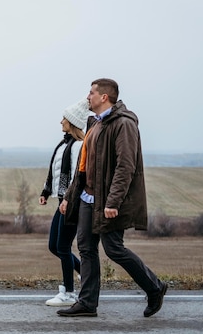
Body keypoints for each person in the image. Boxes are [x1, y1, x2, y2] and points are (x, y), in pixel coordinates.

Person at [57, 78, 167, 318]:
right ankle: (87, 303)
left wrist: (113, 202)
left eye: (91, 93)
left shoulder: (123, 124)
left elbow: (125, 167)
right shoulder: (94, 124)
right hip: (87, 198)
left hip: (108, 202)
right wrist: (69, 197)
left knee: (114, 249)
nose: (87, 97)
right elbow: (83, 167)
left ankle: (155, 287)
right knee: (86, 248)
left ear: (104, 97)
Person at [40, 99, 91, 306]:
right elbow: (57, 171)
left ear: (72, 122)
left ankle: (69, 293)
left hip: (72, 204)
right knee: (54, 246)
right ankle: (83, 273)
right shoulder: (64, 144)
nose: (61, 121)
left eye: (64, 118)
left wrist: (69, 199)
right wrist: (46, 191)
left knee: (62, 246)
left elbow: (76, 178)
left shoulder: (79, 146)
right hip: (63, 202)